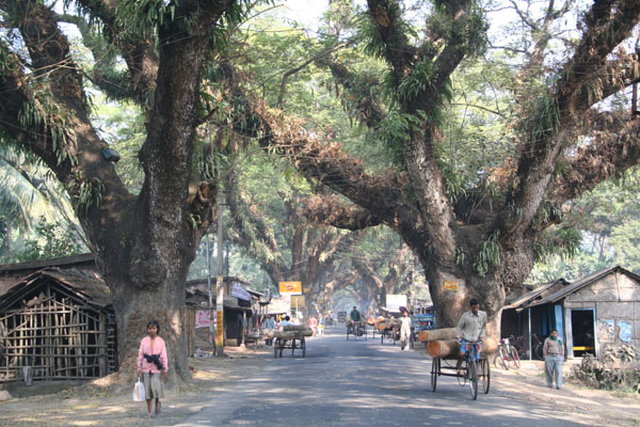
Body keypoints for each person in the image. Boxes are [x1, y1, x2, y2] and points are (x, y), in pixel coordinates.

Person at [137, 320, 169, 418]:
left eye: (153, 328)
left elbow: (164, 356)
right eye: (150, 328)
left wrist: (165, 369)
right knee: (148, 391)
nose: (151, 330)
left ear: (157, 329)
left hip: (156, 367)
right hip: (146, 367)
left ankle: (157, 403)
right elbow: (140, 355)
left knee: (156, 389)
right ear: (147, 329)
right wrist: (139, 367)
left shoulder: (161, 341)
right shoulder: (144, 341)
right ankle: (149, 412)